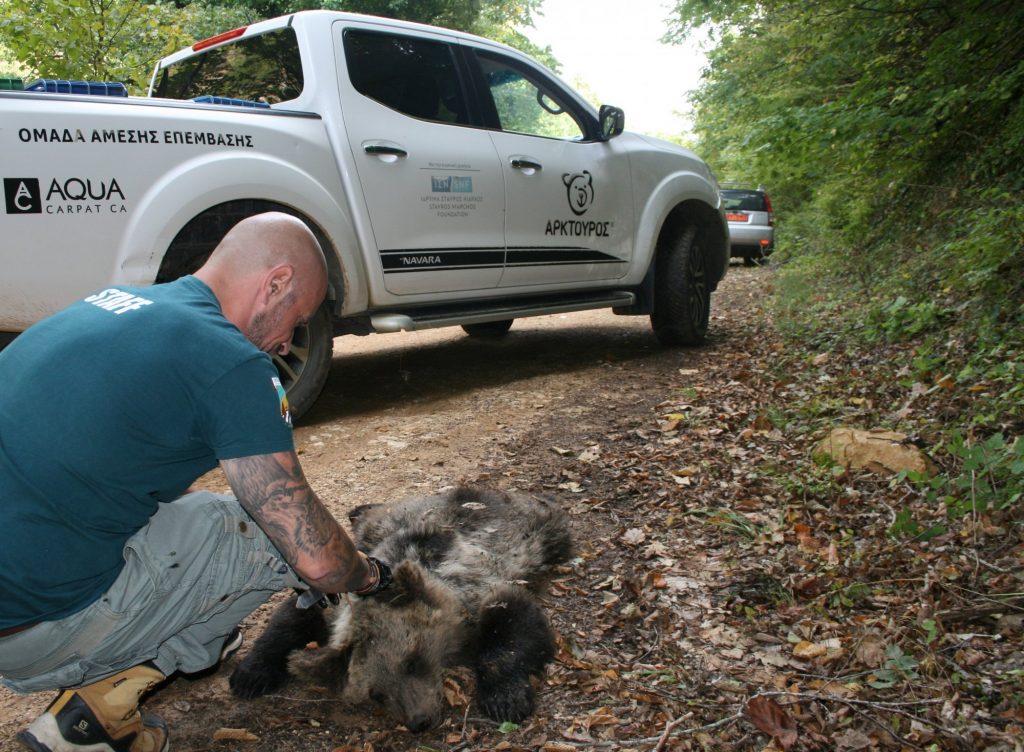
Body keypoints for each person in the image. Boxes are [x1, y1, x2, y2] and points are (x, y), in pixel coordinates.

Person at [0, 212, 392, 752]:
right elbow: (317, 561)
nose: (284, 345)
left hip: (14, 596)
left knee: (201, 520)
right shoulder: (232, 363)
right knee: (261, 536)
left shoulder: (112, 304)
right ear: (275, 283)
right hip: (33, 634)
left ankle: (166, 635)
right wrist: (372, 577)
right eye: (295, 321)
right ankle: (96, 717)